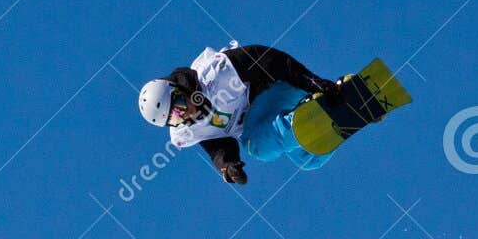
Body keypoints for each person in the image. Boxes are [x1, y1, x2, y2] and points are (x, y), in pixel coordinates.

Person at [138, 43, 359, 183]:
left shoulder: (215, 76)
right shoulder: (184, 133)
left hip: (277, 88)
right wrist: (227, 165)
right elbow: (215, 143)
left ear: (178, 89)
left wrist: (313, 82)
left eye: (179, 104)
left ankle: (314, 105)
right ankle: (343, 112)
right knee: (308, 158)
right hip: (268, 120)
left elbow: (271, 60)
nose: (184, 114)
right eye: (175, 118)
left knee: (258, 146)